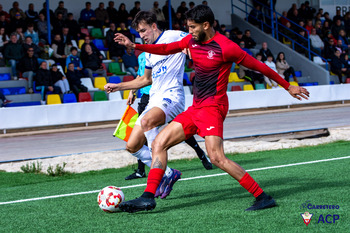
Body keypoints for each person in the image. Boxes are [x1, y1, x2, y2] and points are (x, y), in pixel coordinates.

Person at [113, 5, 309, 213]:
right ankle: (148, 197)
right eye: (188, 27)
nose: (189, 32)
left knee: (216, 157)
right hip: (196, 107)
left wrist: (288, 86)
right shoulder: (190, 41)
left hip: (213, 108)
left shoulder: (226, 47)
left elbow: (260, 67)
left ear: (206, 25)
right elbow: (165, 49)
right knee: (159, 143)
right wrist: (134, 46)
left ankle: (262, 196)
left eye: (192, 27)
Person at [106, 11, 212, 200]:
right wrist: (118, 86)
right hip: (154, 100)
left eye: (144, 30)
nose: (142, 35)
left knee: (149, 128)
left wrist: (192, 52)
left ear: (154, 26)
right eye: (139, 32)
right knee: (132, 146)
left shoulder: (174, 36)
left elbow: (193, 43)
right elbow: (145, 80)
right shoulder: (148, 52)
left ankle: (155, 181)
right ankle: (169, 173)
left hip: (172, 97)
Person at [125, 51, 212, 180]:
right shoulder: (142, 56)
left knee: (180, 129)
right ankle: (141, 170)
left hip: (163, 99)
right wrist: (132, 92)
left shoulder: (163, 53)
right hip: (145, 98)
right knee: (141, 135)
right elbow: (140, 75)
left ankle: (200, 153)